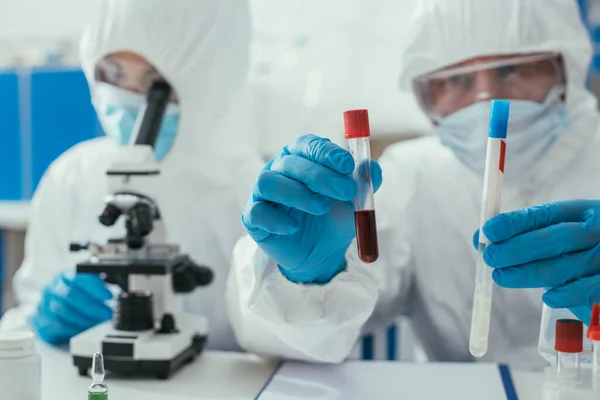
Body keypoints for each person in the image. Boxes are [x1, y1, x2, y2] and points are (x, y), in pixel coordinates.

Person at [226, 0, 600, 369]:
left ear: (567, 68)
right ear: (426, 96)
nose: (487, 99)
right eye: (456, 79)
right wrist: (307, 280)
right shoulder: (416, 177)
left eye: (512, 69)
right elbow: (303, 347)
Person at [0, 0, 263, 352]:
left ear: (208, 81)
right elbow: (23, 324)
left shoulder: (249, 190)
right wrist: (42, 320)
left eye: (155, 83)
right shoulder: (72, 175)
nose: (126, 100)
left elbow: (288, 341)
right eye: (113, 75)